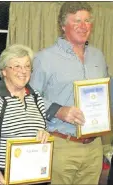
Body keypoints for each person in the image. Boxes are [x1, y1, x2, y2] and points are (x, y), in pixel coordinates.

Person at [29, 2, 108, 184]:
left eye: (87, 21)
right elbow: (31, 97)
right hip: (62, 144)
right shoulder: (44, 58)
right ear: (63, 26)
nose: (83, 26)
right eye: (77, 21)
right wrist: (58, 110)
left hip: (95, 146)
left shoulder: (98, 56)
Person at [0, 44, 50, 185]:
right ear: (4, 71)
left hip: (33, 176)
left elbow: (42, 130)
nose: (23, 71)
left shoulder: (36, 97)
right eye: (17, 66)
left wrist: (44, 134)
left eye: (27, 66)